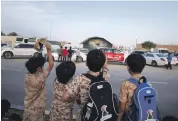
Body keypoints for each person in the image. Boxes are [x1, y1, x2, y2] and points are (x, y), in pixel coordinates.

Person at [62, 49, 110, 120]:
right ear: (102, 64)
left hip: (86, 115)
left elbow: (65, 97)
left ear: (86, 63)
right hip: (99, 115)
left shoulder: (80, 79)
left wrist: (77, 99)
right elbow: (105, 67)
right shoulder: (106, 76)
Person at [23, 42, 54, 121]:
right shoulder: (40, 79)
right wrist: (49, 50)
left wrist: (40, 50)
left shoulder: (28, 75)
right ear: (38, 69)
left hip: (28, 108)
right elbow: (51, 65)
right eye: (42, 66)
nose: (43, 67)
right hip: (37, 111)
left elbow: (35, 63)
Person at [117, 54, 147, 121]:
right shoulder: (146, 82)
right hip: (144, 114)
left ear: (128, 67)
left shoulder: (126, 84)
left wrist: (119, 117)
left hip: (130, 116)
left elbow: (122, 104)